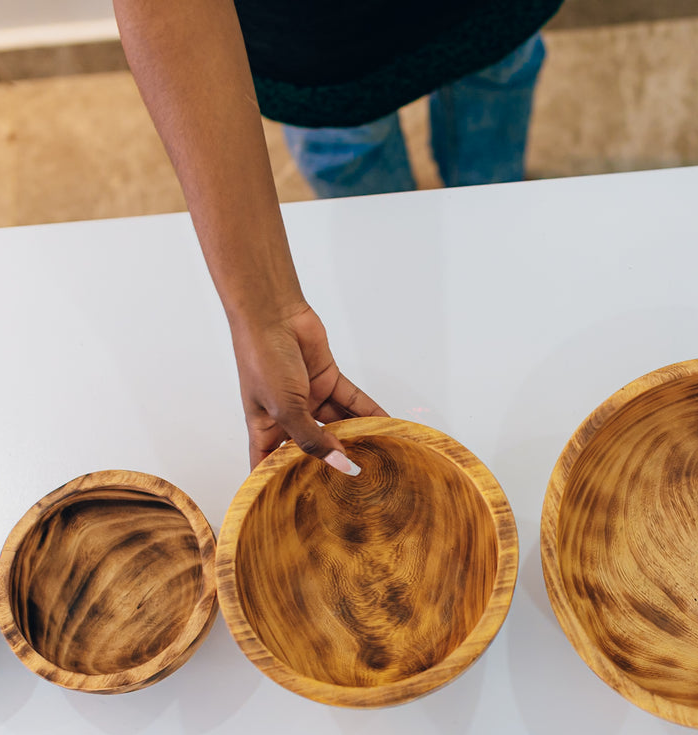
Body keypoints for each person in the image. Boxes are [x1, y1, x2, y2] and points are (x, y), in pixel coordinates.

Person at [112, 0, 562, 471]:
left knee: (497, 105)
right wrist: (267, 313)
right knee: (353, 164)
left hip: (495, 13)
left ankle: (487, 228)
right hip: (317, 33)